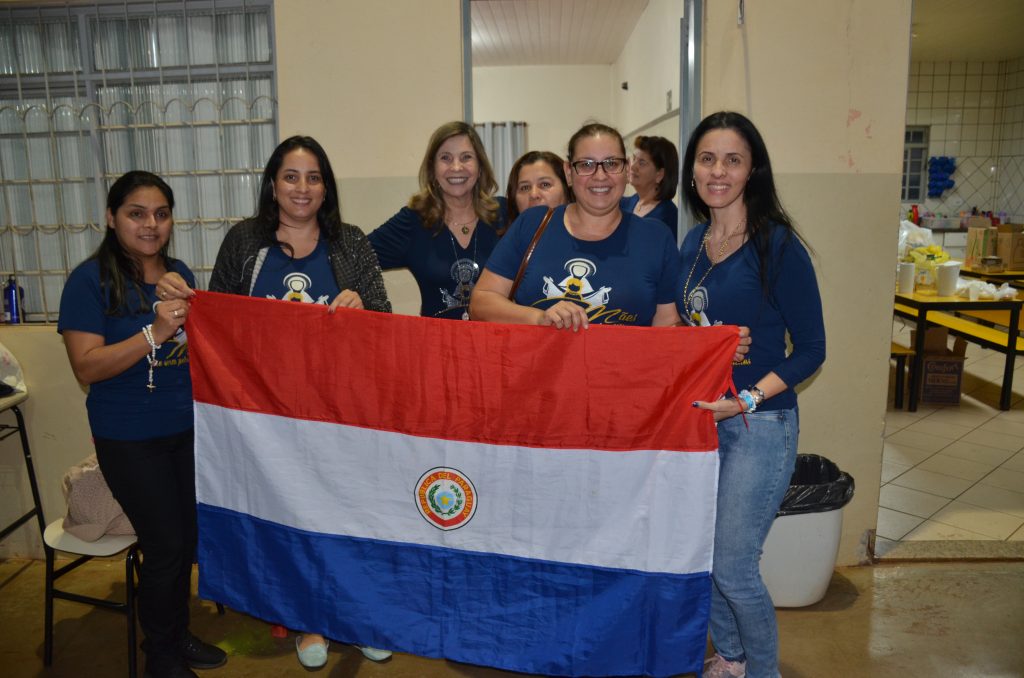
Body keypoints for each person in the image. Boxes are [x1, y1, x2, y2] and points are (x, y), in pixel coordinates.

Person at [156, 135, 391, 669]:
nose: (302, 188)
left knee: (351, 517)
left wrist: (362, 309)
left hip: (341, 415)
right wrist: (178, 306)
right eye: (290, 176)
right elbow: (216, 323)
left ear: (326, 187)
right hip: (269, 421)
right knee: (295, 522)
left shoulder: (350, 242)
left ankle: (357, 618)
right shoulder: (245, 242)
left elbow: (385, 322)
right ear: (272, 184)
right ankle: (310, 619)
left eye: (313, 177)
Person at [58, 171, 227, 678]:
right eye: (136, 213)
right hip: (129, 439)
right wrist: (154, 331)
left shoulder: (177, 272)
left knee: (186, 539)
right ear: (111, 219)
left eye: (161, 213)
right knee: (166, 545)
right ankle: (162, 657)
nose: (150, 224)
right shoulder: (89, 281)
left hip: (185, 432)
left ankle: (175, 634)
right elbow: (87, 367)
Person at [678, 112, 825, 678]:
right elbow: (687, 331)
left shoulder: (778, 246)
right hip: (703, 423)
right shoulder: (694, 243)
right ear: (693, 170)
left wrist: (749, 399)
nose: (718, 171)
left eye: (732, 160)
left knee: (735, 567)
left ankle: (765, 672)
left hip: (758, 425)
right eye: (708, 158)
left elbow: (812, 349)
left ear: (752, 170)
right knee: (709, 560)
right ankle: (733, 660)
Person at [469, 122, 681, 330]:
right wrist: (538, 318)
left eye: (612, 163)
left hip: (625, 365)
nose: (600, 176)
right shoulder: (532, 225)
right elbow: (480, 304)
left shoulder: (655, 238)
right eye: (586, 165)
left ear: (626, 170)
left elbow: (666, 325)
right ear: (569, 172)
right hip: (539, 365)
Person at [368, 121, 505, 320]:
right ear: (432, 169)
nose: (456, 167)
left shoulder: (504, 215)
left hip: (497, 344)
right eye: (445, 158)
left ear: (480, 166)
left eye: (466, 157)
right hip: (436, 345)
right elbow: (353, 258)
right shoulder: (414, 220)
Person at [620, 135, 679, 239]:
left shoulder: (668, 215)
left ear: (659, 175)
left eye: (642, 163)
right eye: (634, 159)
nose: (633, 167)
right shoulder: (623, 204)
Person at [505, 150, 571, 224]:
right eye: (525, 187)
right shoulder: (508, 235)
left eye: (545, 184)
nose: (534, 195)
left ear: (567, 191)